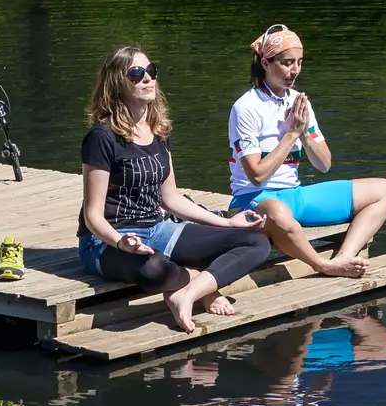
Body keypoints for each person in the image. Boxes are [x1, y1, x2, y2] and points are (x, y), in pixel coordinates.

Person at [79, 45, 272, 332]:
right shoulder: (101, 137)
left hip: (157, 229)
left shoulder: (158, 131)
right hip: (106, 241)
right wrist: (120, 242)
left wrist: (227, 222)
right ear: (116, 83)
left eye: (151, 71)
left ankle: (188, 293)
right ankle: (199, 280)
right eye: (136, 73)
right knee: (152, 268)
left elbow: (169, 198)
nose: (148, 78)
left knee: (255, 242)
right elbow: (92, 216)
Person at [228, 24, 386, 279]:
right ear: (265, 63)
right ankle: (323, 265)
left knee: (384, 190)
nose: (295, 70)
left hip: (295, 196)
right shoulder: (246, 108)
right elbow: (257, 176)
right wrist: (291, 134)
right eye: (287, 63)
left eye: (299, 62)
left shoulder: (299, 101)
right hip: (254, 200)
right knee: (278, 211)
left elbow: (324, 164)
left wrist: (305, 133)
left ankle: (345, 256)